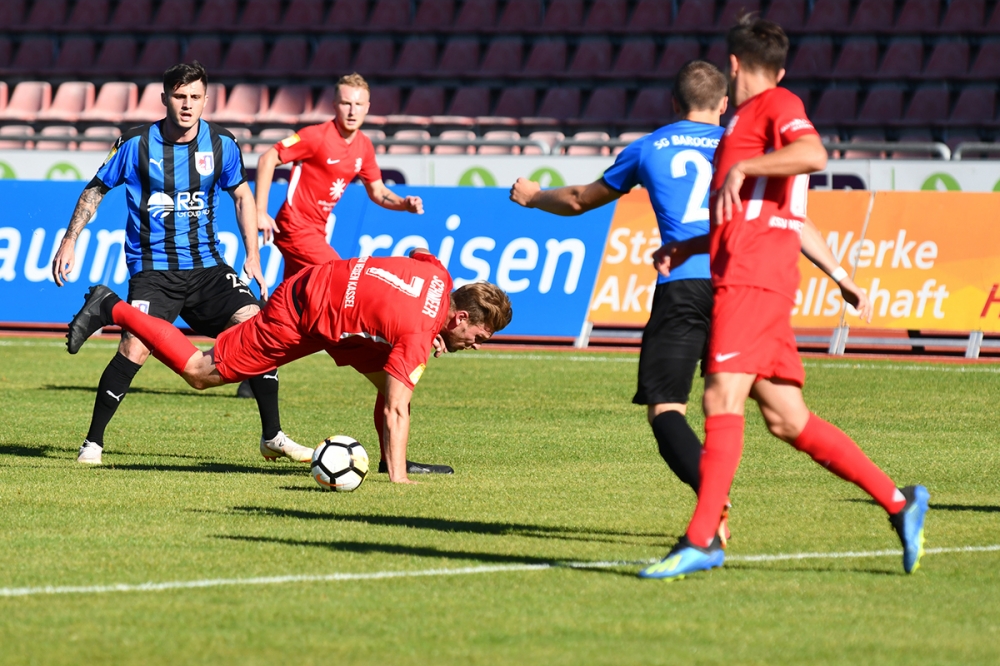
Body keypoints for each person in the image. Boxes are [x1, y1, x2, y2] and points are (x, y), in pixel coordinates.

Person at [509, 60, 873, 546]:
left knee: (666, 409)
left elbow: (578, 199)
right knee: (781, 410)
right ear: (724, 104)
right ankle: (892, 497)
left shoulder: (650, 146)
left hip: (682, 284)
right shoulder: (745, 145)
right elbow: (795, 219)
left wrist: (533, 196)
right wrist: (840, 275)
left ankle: (712, 503)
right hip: (740, 285)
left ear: (674, 103)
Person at [637, 15, 928, 581]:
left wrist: (743, 165)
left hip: (754, 278)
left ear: (736, 65)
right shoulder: (745, 117)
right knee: (787, 419)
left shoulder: (775, 105)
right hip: (743, 272)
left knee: (720, 398)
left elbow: (814, 154)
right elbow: (760, 209)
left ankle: (702, 539)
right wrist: (692, 244)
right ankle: (899, 502)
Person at [54, 62, 311, 466]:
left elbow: (242, 197)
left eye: (194, 97)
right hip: (153, 272)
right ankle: (93, 443)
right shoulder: (136, 144)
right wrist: (70, 241)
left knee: (256, 325)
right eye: (179, 96)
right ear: (164, 99)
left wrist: (253, 255)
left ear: (206, 100)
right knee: (134, 347)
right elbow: (95, 190)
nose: (187, 105)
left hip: (208, 268)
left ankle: (272, 436)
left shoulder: (223, 144)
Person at [65, 251, 513, 483]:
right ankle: (113, 307)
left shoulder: (440, 277)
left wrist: (411, 316)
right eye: (477, 337)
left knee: (389, 379)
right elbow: (397, 408)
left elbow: (420, 253)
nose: (474, 346)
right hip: (301, 314)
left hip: (334, 302)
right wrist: (400, 491)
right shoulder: (418, 334)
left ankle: (391, 462)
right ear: (459, 317)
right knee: (201, 373)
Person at [252, 72, 444, 475]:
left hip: (316, 232)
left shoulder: (364, 147)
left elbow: (377, 192)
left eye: (358, 104)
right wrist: (258, 208)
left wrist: (402, 204)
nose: (351, 110)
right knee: (342, 282)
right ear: (334, 105)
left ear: (368, 107)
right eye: (344, 103)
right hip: (296, 229)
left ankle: (254, 365)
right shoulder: (316, 136)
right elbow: (269, 156)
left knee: (285, 310)